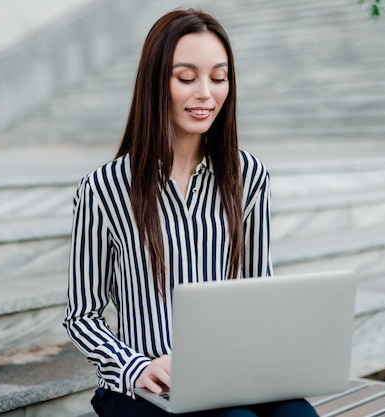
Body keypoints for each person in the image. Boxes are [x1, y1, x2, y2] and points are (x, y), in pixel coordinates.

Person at [63, 8, 319, 417]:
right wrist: (136, 367)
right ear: (156, 82)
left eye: (219, 78)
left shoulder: (248, 176)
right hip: (142, 388)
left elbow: (259, 293)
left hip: (231, 374)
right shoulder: (105, 188)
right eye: (186, 78)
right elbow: (82, 315)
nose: (206, 93)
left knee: (298, 415)